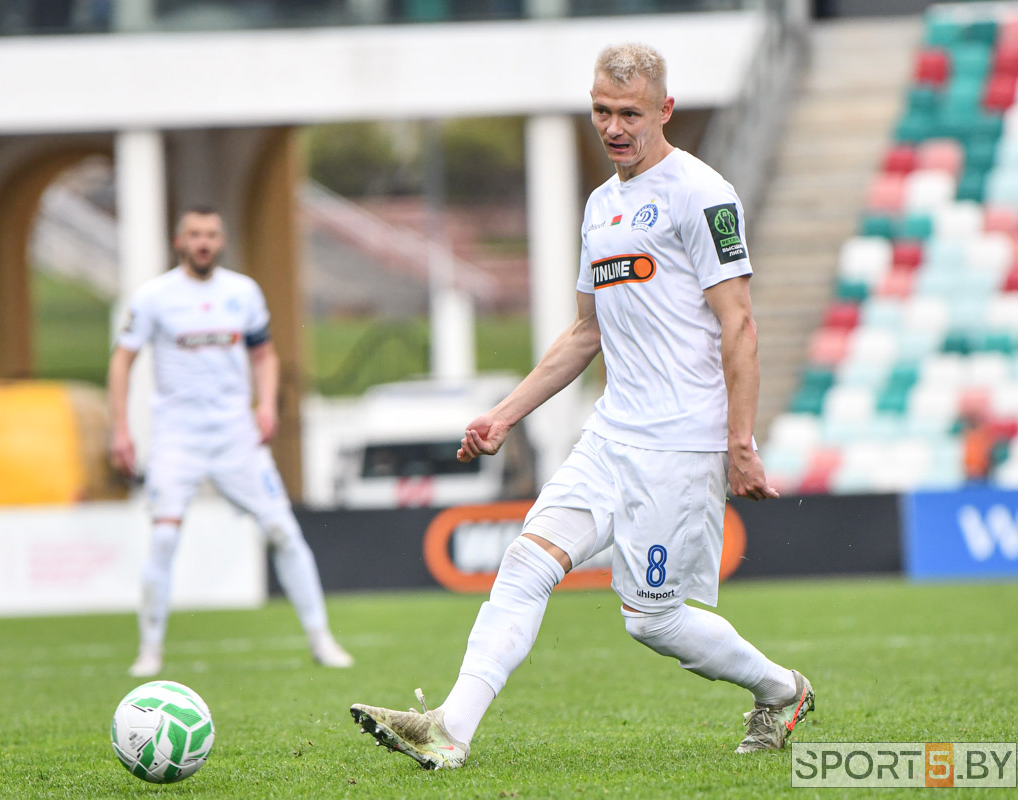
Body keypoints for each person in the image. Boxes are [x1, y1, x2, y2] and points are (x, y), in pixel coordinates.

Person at [349, 43, 812, 769]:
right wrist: (505, 414)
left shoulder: (703, 193)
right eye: (601, 111)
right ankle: (448, 729)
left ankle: (782, 691)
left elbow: (740, 325)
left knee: (652, 621)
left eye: (629, 113)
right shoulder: (600, 206)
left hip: (679, 445)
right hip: (610, 437)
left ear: (664, 109)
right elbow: (584, 332)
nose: (613, 127)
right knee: (525, 561)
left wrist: (740, 442)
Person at [108, 205, 353, 676]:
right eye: (195, 234)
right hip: (177, 438)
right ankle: (150, 650)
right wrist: (120, 427)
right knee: (163, 537)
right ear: (179, 242)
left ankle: (322, 640)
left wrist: (266, 405)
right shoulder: (155, 296)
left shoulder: (243, 292)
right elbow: (123, 359)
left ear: (221, 241)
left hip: (235, 435)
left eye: (212, 234)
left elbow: (264, 354)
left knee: (284, 531)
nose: (204, 242)